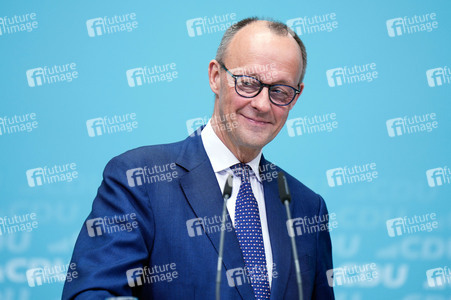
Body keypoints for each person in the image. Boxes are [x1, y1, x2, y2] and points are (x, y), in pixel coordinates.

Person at [62, 17, 334, 300]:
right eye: (248, 83)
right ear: (216, 77)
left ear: (297, 96)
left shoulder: (307, 207)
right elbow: (91, 294)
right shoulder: (139, 178)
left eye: (279, 91)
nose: (262, 104)